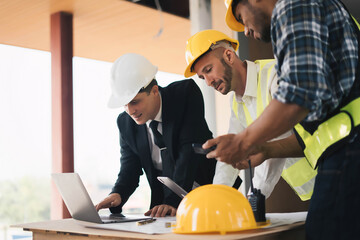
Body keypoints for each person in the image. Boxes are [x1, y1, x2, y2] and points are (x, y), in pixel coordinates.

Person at [204, 0, 360, 238]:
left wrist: (244, 141)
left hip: (349, 147)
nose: (245, 30)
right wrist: (264, 149)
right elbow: (312, 127)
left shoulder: (294, 4)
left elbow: (300, 91)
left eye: (241, 15)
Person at [184, 29, 316, 201]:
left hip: (337, 171)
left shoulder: (275, 75)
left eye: (208, 70)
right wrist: (215, 197)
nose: (208, 82)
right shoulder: (237, 103)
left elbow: (277, 137)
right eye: (202, 78)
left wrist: (254, 199)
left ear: (229, 56)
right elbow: (230, 155)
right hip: (313, 189)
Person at [95, 53, 221, 217]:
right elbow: (130, 167)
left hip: (209, 195)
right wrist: (118, 193)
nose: (130, 111)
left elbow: (187, 154)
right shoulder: (125, 123)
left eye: (135, 102)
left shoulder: (185, 95)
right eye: (124, 105)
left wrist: (172, 202)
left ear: (154, 91)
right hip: (164, 206)